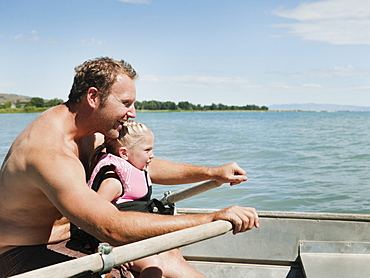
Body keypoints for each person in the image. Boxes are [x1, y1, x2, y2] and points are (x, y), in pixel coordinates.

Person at [0, 57, 259, 278]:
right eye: (125, 103)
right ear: (93, 97)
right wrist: (211, 218)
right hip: (21, 253)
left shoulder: (91, 132)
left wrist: (212, 173)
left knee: (166, 251)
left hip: (73, 238)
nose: (132, 113)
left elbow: (136, 166)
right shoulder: (50, 152)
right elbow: (110, 227)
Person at [84, 120, 163, 277]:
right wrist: (108, 247)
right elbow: (91, 215)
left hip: (134, 236)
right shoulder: (114, 182)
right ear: (124, 153)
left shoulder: (136, 171)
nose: (152, 155)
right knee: (154, 266)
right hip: (117, 242)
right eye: (147, 150)